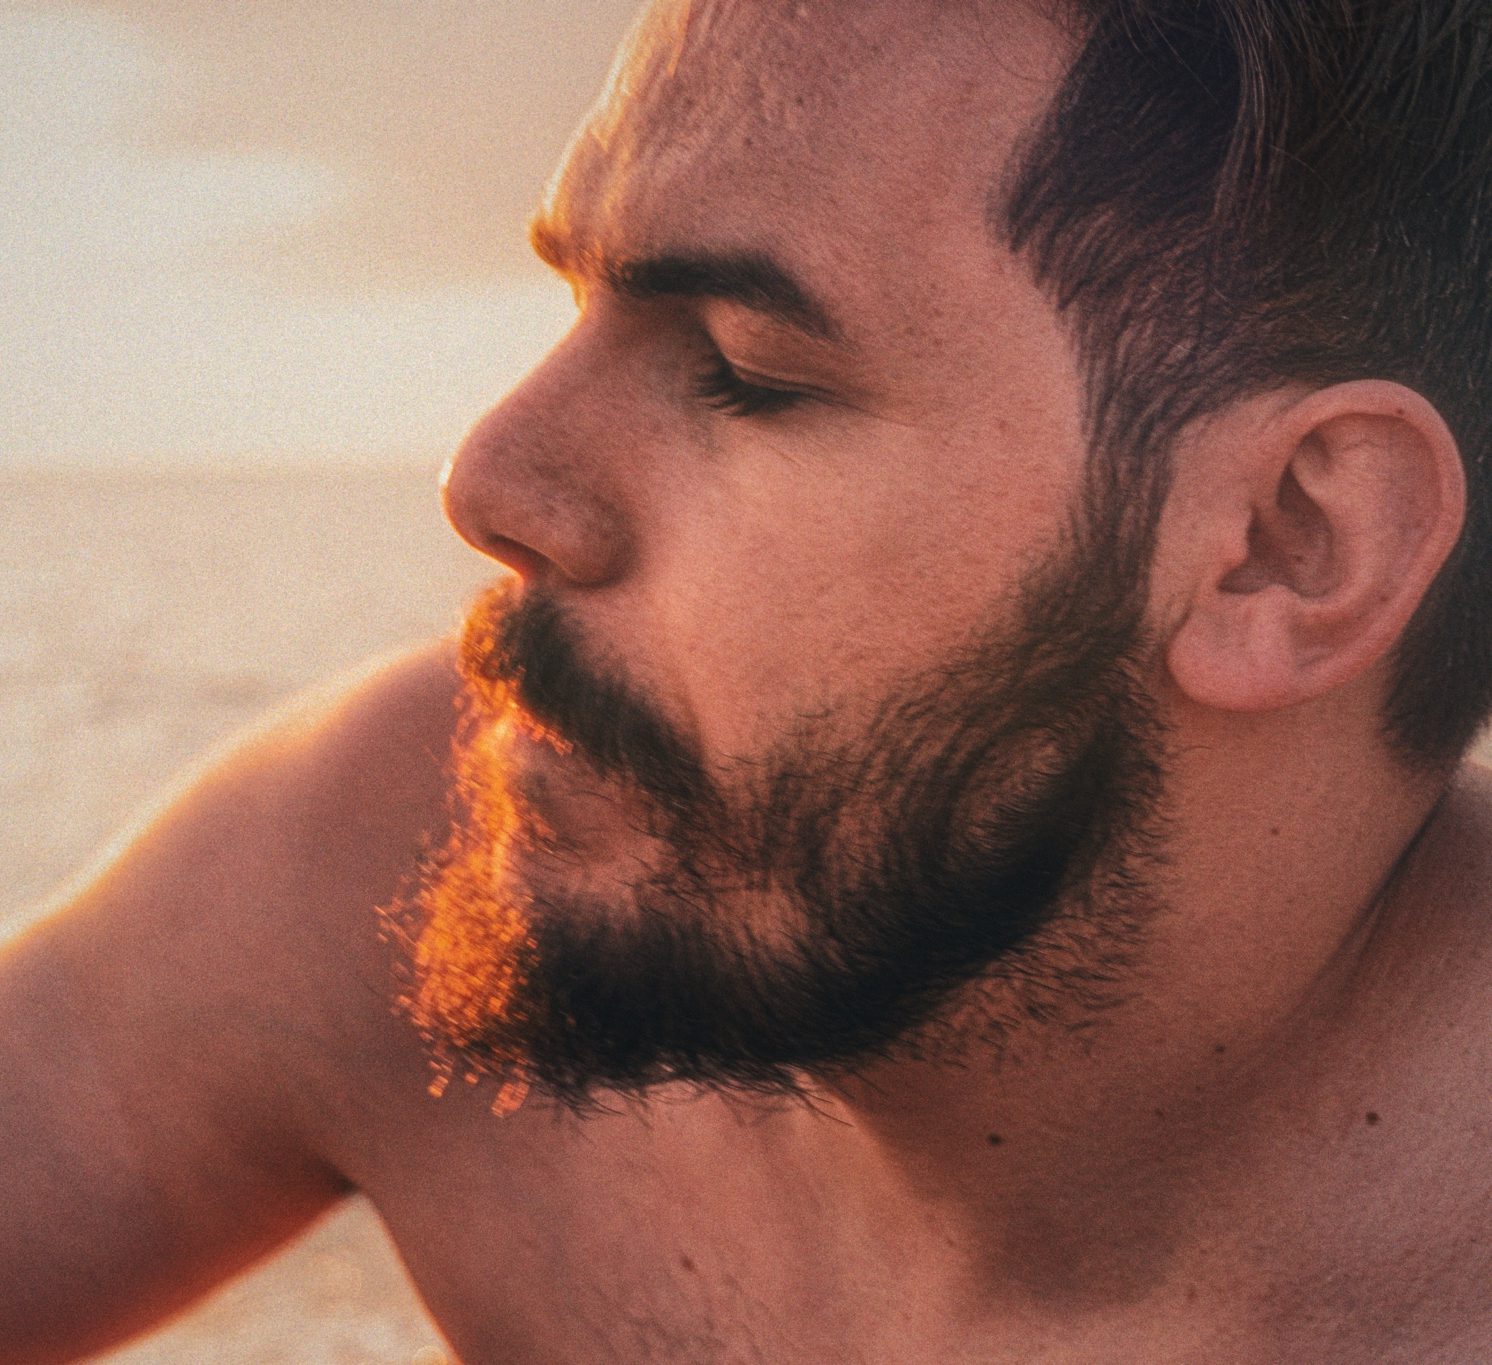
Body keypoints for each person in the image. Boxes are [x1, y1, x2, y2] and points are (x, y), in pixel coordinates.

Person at [6, 0, 1492, 1359]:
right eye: (578, 303)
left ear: (1289, 545)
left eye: (741, 367)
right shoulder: (390, 848)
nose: (493, 476)